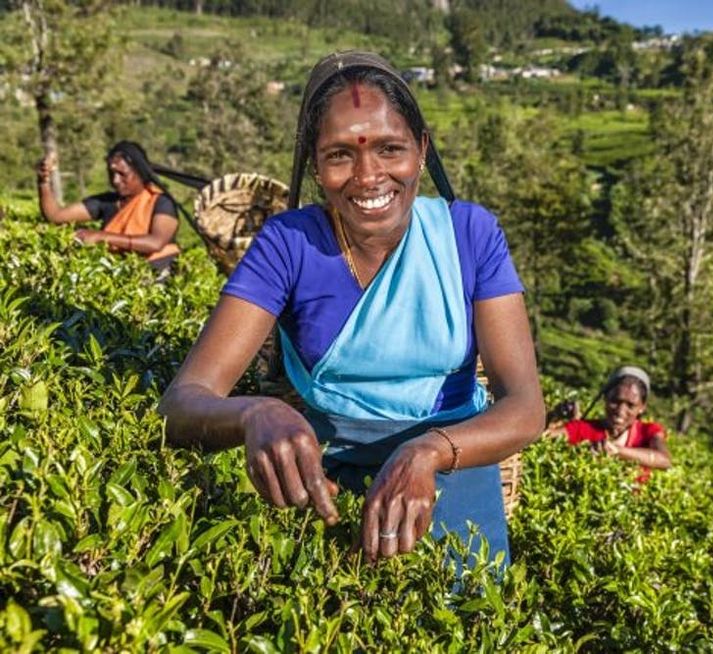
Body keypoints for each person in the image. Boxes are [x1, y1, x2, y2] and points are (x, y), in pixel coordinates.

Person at [158, 51, 544, 567]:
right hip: (327, 469)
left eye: (390, 149)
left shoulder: (468, 235)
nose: (368, 176)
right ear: (315, 167)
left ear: (422, 150)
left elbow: (524, 407)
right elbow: (182, 403)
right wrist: (254, 412)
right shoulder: (288, 244)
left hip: (454, 453)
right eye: (340, 155)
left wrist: (425, 451)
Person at [35, 142, 181, 271]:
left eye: (123, 174)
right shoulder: (107, 202)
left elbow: (156, 243)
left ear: (140, 172)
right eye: (112, 174)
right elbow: (54, 215)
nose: (116, 180)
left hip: (159, 271)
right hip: (124, 274)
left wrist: (102, 236)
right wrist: (43, 181)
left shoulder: (161, 202)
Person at [560, 366, 671, 483]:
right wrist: (554, 417)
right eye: (615, 401)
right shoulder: (583, 428)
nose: (620, 411)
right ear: (606, 398)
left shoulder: (647, 431)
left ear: (642, 407)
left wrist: (617, 451)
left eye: (630, 405)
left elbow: (664, 460)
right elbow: (545, 436)